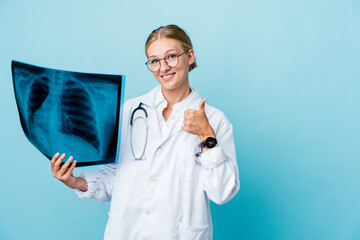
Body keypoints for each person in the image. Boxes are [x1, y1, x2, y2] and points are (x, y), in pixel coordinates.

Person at [50, 24, 240, 240]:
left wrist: (206, 136)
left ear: (190, 57)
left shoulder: (215, 121)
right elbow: (114, 179)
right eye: (154, 60)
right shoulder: (130, 111)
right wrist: (76, 182)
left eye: (171, 57)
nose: (163, 67)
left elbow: (223, 192)